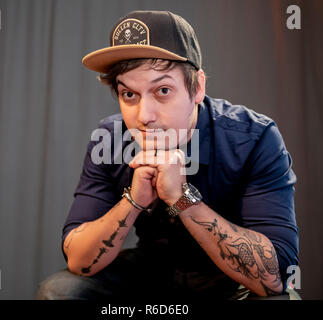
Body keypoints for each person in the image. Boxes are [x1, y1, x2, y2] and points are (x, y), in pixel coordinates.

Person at [37, 10, 299, 301]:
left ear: (197, 87)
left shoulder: (253, 137)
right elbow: (79, 260)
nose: (144, 116)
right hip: (150, 273)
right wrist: (133, 201)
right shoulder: (110, 139)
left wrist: (182, 199)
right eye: (129, 95)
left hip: (228, 281)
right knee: (59, 293)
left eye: (162, 90)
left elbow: (277, 277)